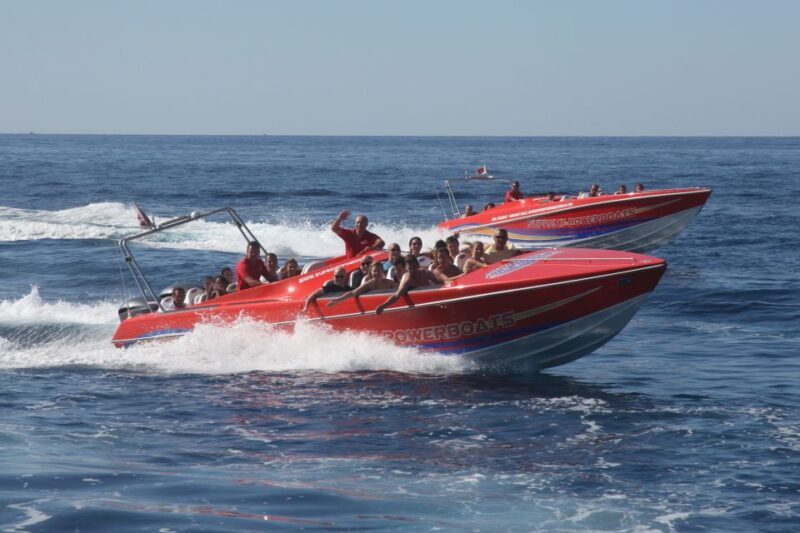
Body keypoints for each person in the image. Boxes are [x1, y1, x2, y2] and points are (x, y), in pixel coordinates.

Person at [375, 255, 442, 315]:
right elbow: (396, 295)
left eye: (414, 267)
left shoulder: (425, 272)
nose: (412, 270)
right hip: (416, 304)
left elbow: (439, 283)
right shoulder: (407, 281)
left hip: (427, 299)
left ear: (418, 265)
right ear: (406, 268)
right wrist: (383, 306)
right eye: (410, 268)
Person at [326, 262, 398, 308]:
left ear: (382, 272)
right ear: (371, 272)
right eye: (374, 271)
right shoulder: (369, 284)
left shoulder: (389, 283)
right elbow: (353, 293)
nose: (377, 273)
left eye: (379, 271)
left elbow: (400, 288)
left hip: (388, 306)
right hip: (373, 306)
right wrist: (337, 300)